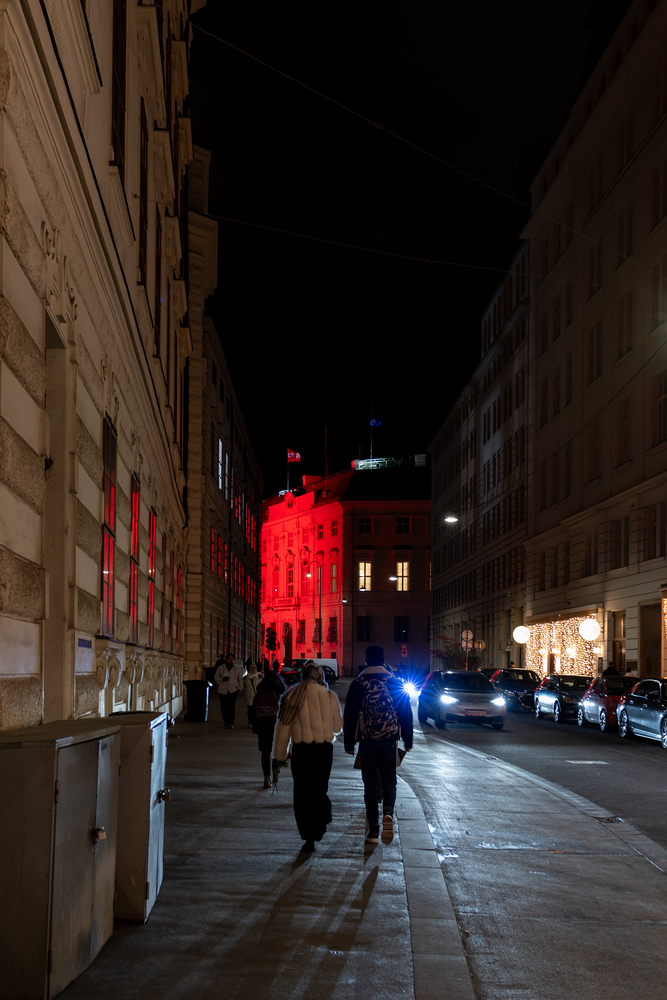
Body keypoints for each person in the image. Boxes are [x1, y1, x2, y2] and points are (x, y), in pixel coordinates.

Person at [343, 645, 413, 845]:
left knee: (370, 785)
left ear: (366, 661)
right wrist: (407, 740)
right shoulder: (394, 682)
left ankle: (373, 830)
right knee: (390, 781)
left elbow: (350, 715)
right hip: (389, 741)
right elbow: (406, 713)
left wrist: (349, 743)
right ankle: (388, 812)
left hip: (367, 741)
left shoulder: (358, 684)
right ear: (383, 660)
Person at [272, 662, 343, 854]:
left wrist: (279, 756)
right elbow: (337, 727)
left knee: (302, 793)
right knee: (319, 789)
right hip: (322, 751)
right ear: (320, 677)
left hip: (301, 751)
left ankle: (308, 837)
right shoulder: (329, 696)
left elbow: (283, 729)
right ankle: (320, 822)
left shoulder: (291, 696)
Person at [253, 664, 285, 787]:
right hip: (276, 726)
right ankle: (275, 774)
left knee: (265, 753)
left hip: (263, 725)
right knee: (276, 752)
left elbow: (253, 711)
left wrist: (255, 726)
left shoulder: (260, 693)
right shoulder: (279, 695)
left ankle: (266, 777)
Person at [214, 652, 244, 728]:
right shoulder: (221, 668)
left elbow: (240, 679)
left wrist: (240, 688)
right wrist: (222, 679)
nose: (230, 661)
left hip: (233, 690)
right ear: (226, 659)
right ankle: (226, 721)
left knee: (231, 706)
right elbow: (216, 677)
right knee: (224, 707)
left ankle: (231, 722)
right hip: (223, 690)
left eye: (232, 659)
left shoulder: (237, 668)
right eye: (229, 659)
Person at [243, 659, 262, 728]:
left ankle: (256, 722)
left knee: (256, 710)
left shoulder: (259, 676)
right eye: (252, 668)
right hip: (249, 695)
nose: (253, 669)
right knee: (250, 710)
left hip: (257, 696)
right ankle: (250, 722)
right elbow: (243, 686)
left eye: (254, 668)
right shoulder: (247, 677)